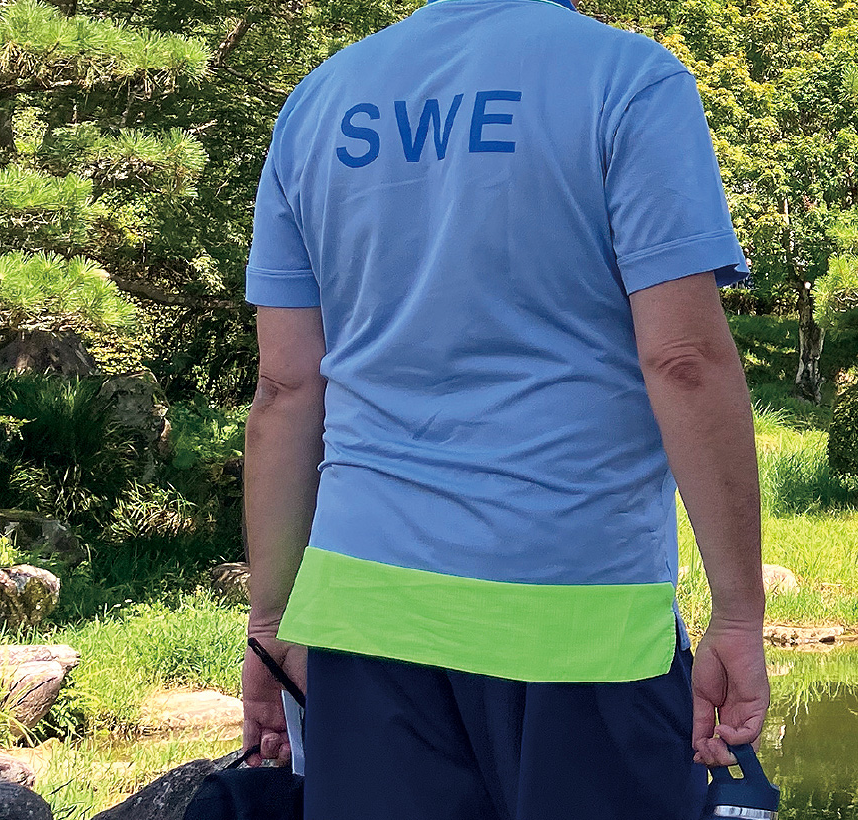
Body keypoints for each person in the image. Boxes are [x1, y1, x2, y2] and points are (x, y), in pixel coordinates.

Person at [237, 0, 770, 816]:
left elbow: (286, 388)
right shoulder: (627, 80)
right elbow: (683, 360)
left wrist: (271, 623)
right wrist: (737, 613)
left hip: (363, 619)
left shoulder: (322, 101)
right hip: (579, 620)